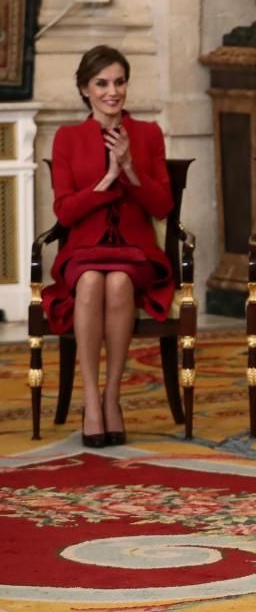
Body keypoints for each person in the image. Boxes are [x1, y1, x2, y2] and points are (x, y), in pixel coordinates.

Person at [42, 46, 175, 448]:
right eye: (101, 83)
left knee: (117, 283)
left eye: (119, 82)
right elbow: (64, 213)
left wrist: (131, 169)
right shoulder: (68, 138)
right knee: (88, 283)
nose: (112, 91)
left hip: (135, 251)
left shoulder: (148, 134)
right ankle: (91, 401)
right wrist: (106, 182)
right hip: (82, 251)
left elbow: (163, 206)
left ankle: (112, 397)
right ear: (85, 89)